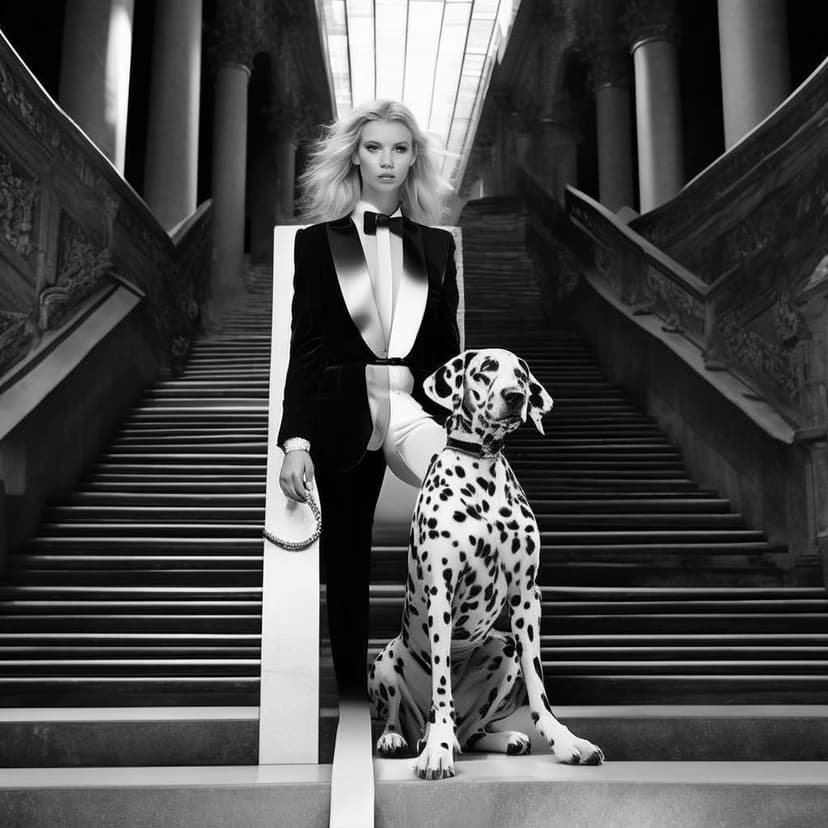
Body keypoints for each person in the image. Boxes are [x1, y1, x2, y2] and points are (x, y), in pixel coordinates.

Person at [277, 100, 461, 697]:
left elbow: (446, 351)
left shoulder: (436, 248)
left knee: (456, 526)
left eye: (400, 149)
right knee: (346, 560)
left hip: (414, 409)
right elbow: (304, 347)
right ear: (355, 154)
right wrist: (295, 442)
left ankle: (440, 686)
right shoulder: (316, 243)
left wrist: (460, 423)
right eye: (375, 147)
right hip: (341, 411)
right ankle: (354, 698)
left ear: (414, 160)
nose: (387, 160)